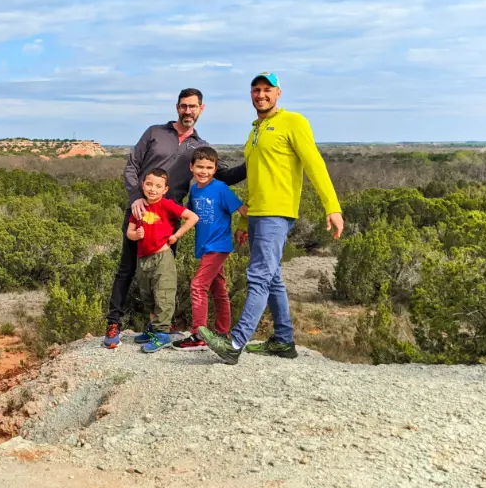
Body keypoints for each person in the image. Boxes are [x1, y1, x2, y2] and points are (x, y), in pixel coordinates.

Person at [199, 72, 344, 365]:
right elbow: (253, 177)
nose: (261, 94)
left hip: (277, 213)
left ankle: (235, 343)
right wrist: (242, 222)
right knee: (273, 277)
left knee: (259, 277)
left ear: (278, 93)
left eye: (267, 89)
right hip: (258, 214)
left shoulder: (293, 122)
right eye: (256, 89)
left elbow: (314, 163)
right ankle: (283, 340)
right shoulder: (255, 130)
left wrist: (332, 206)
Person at [103, 88, 247, 349]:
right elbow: (132, 166)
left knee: (162, 275)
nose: (188, 111)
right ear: (177, 107)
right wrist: (136, 196)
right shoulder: (155, 133)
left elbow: (223, 175)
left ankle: (157, 326)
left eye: (193, 106)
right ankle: (114, 324)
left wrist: (254, 162)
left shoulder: (200, 147)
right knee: (127, 270)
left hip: (170, 218)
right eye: (184, 106)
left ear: (201, 109)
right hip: (139, 211)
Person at [172, 146, 247, 351]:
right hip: (205, 246)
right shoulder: (195, 190)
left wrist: (245, 228)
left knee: (198, 286)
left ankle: (198, 335)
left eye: (208, 167)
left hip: (218, 246)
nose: (203, 171)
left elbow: (243, 211)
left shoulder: (221, 188)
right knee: (218, 289)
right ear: (191, 167)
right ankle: (223, 332)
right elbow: (189, 215)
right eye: (199, 167)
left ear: (215, 169)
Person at [125, 168, 199, 353]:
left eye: (158, 186)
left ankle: (162, 334)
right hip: (143, 258)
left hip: (162, 258)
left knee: (163, 294)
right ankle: (153, 327)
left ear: (165, 189)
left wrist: (176, 236)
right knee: (148, 295)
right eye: (149, 184)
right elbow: (129, 232)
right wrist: (136, 234)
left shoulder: (167, 205)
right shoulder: (139, 208)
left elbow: (192, 217)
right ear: (143, 185)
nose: (153, 189)